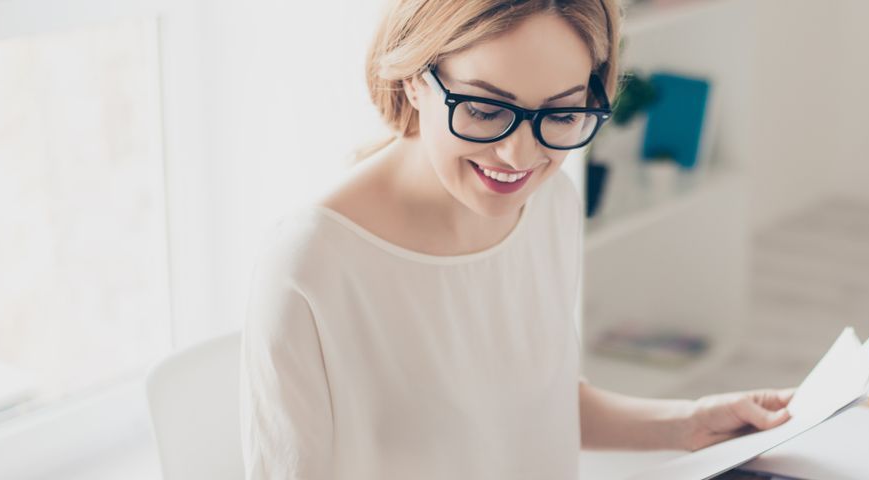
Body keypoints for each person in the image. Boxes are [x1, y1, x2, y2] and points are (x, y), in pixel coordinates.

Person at [238, 1, 793, 478]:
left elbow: (537, 407)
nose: (520, 157)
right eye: (483, 109)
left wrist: (692, 423)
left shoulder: (548, 204)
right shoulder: (311, 264)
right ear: (413, 76)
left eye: (562, 113)